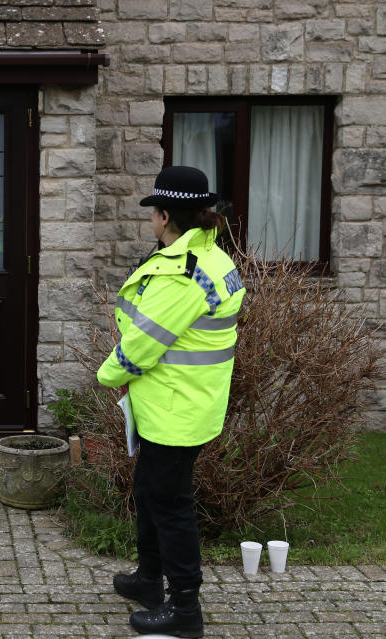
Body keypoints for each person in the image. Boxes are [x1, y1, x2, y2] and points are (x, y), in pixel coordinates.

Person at [97, 166, 245, 638]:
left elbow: (143, 344)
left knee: (170, 503)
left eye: (153, 214)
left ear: (163, 216)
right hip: (183, 403)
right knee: (150, 492)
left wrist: (107, 374)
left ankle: (184, 611)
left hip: (175, 410)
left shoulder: (184, 274)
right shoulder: (211, 256)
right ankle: (147, 580)